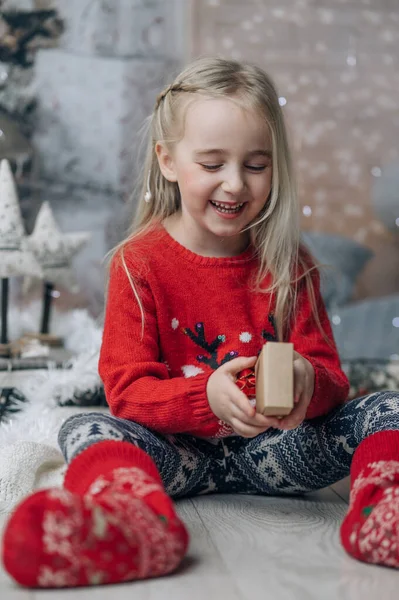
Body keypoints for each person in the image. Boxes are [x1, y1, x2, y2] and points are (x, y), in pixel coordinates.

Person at [3, 56, 399, 588]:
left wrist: (308, 381)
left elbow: (332, 377)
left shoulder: (288, 261)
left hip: (275, 454)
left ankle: (384, 513)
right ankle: (137, 526)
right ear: (168, 161)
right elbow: (126, 392)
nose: (234, 184)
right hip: (178, 456)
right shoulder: (138, 263)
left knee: (388, 408)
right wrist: (204, 396)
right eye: (212, 164)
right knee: (86, 428)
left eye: (255, 165)